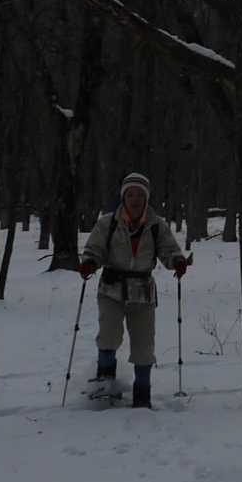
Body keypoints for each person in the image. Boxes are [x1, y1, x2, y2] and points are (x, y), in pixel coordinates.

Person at [79, 173, 188, 408]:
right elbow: (95, 248)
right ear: (123, 197)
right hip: (111, 289)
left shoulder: (157, 224)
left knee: (144, 345)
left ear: (147, 198)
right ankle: (105, 382)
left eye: (140, 194)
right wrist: (90, 261)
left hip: (143, 292)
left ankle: (142, 392)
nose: (135, 199)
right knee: (108, 336)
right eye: (130, 194)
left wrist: (177, 261)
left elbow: (169, 250)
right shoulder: (107, 223)